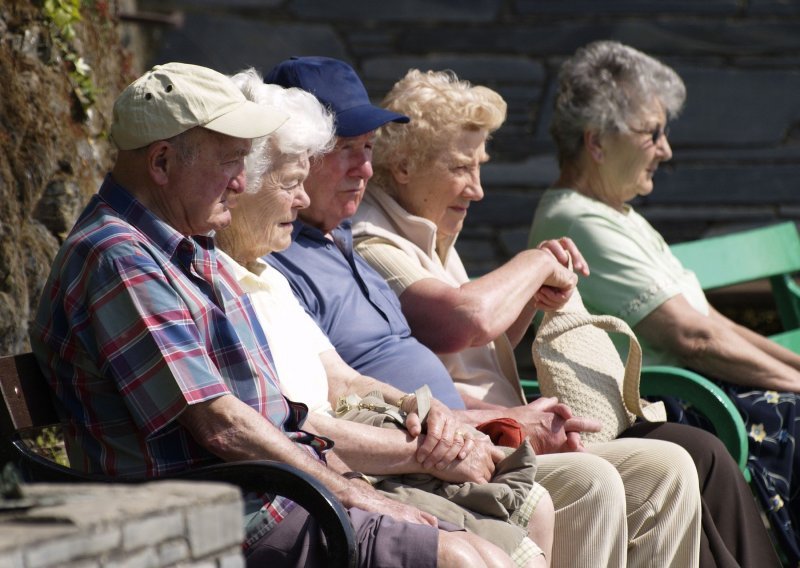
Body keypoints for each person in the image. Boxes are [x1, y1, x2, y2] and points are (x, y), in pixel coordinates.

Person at [29, 62, 514, 568]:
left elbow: (265, 408)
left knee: (485, 552)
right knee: (466, 560)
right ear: (162, 163)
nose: (241, 183)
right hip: (213, 521)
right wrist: (356, 493)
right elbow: (220, 424)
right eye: (230, 161)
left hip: (266, 496)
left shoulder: (185, 248)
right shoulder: (119, 258)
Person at [265, 55, 703, 568]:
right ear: (292, 158)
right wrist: (500, 419)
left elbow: (465, 348)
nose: (364, 167)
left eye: (367, 149)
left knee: (673, 465)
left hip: (463, 432)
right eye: (345, 150)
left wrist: (506, 401)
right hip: (418, 452)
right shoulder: (318, 249)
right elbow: (453, 329)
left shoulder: (341, 240)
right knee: (606, 479)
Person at [353, 66, 779, 568]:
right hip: (471, 449)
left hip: (510, 431)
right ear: (402, 166)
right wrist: (535, 262)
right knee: (676, 458)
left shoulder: (428, 229)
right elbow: (462, 322)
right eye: (461, 168)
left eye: (481, 165)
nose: (478, 188)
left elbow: (467, 353)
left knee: (681, 460)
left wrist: (529, 304)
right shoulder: (374, 243)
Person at [214, 67, 554, 567]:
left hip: (397, 446)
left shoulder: (274, 269)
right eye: (293, 179)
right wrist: (436, 442)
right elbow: (275, 427)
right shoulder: (231, 274)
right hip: (323, 478)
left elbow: (344, 379)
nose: (363, 169)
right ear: (239, 183)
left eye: (369, 148)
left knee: (542, 505)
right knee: (510, 540)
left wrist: (440, 417)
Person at [527, 39, 798, 564]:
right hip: (671, 405)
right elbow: (691, 337)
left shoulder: (616, 212)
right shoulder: (577, 220)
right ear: (597, 143)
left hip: (707, 394)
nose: (667, 149)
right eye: (652, 132)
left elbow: (707, 321)